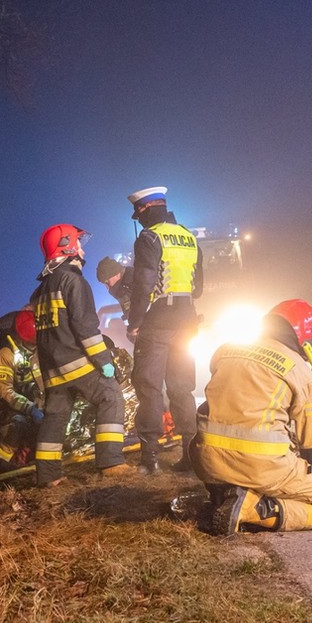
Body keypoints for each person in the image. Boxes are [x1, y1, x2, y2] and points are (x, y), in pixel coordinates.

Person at [190, 299, 312, 534]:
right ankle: (257, 510)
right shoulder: (301, 373)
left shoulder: (226, 350)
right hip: (261, 465)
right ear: (309, 341)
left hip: (207, 462)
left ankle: (225, 496)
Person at [30, 224, 132, 486]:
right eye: (78, 243)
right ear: (68, 247)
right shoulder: (73, 281)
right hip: (77, 365)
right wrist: (105, 363)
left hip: (53, 371)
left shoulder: (40, 291)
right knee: (111, 396)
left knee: (55, 417)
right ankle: (110, 462)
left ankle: (49, 477)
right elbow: (86, 328)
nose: (82, 248)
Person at [125, 186, 204, 475]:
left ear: (144, 210)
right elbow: (199, 286)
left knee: (148, 386)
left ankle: (150, 460)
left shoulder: (149, 237)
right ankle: (191, 456)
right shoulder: (188, 236)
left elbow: (144, 284)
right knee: (182, 387)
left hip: (158, 320)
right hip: (187, 318)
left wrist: (135, 322)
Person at [0, 309, 45, 475]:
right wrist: (29, 408)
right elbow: (4, 391)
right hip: (9, 409)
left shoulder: (36, 352)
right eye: (31, 344)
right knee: (18, 424)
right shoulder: (5, 355)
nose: (34, 348)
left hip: (35, 404)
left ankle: (29, 457)